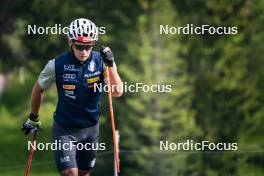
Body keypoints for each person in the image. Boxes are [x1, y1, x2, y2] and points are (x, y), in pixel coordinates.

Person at [22, 18, 123, 176]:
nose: (84, 52)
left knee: (84, 173)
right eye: (79, 46)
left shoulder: (102, 62)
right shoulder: (56, 64)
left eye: (88, 46)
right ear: (70, 42)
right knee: (70, 173)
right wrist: (33, 117)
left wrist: (111, 65)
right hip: (65, 129)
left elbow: (117, 92)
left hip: (91, 129)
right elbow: (38, 89)